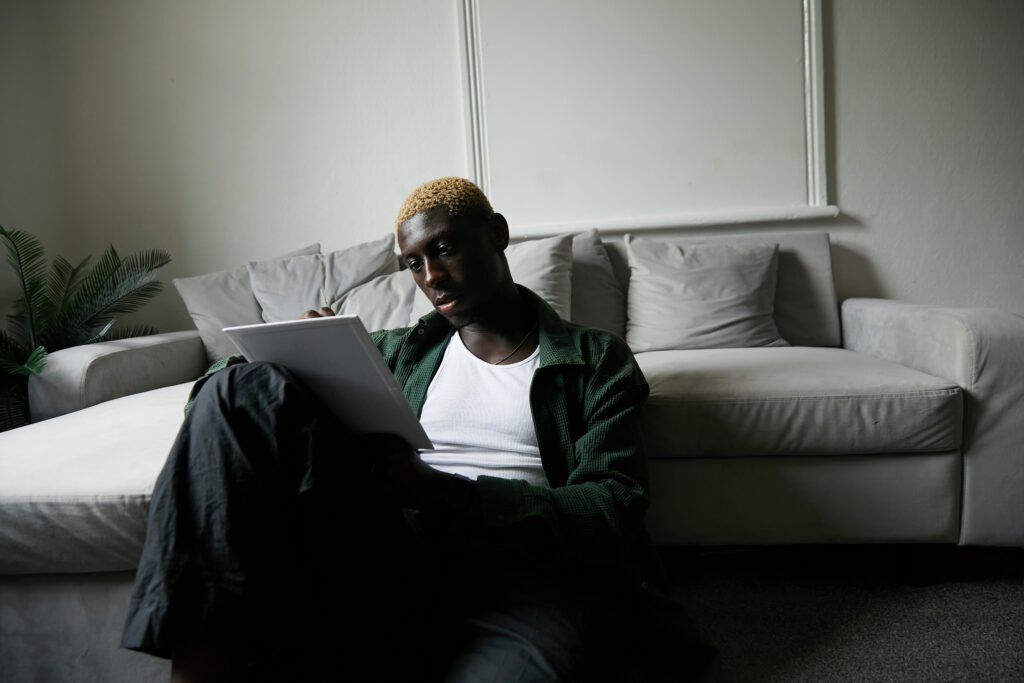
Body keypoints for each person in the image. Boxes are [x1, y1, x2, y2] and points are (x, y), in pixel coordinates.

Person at [121, 177, 716, 682]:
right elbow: (220, 395)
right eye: (414, 263)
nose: (432, 275)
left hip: (524, 575)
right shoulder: (403, 349)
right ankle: (197, 660)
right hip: (393, 550)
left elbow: (611, 508)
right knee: (242, 385)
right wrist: (287, 352)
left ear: (499, 234)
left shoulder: (594, 359)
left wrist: (445, 493)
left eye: (447, 248)